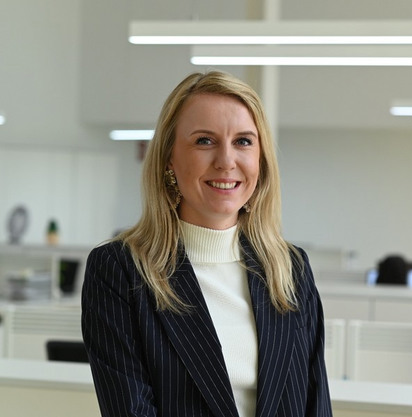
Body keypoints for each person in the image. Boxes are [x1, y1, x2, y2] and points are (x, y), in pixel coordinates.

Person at [81, 71, 332, 417]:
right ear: (169, 158)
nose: (226, 161)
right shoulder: (121, 270)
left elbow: (316, 405)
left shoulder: (291, 268)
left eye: (243, 141)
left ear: (260, 158)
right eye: (204, 141)